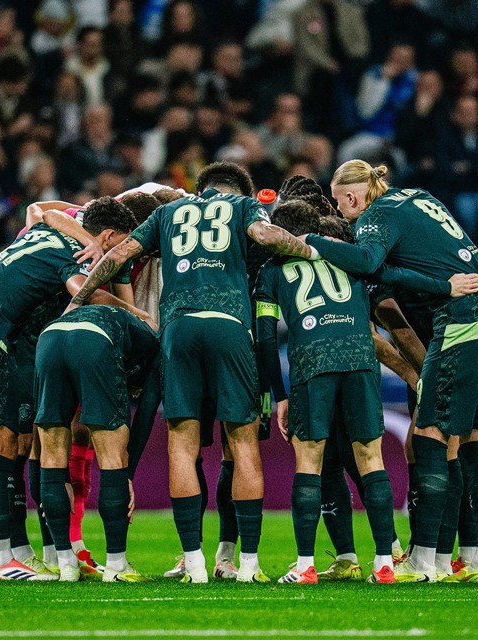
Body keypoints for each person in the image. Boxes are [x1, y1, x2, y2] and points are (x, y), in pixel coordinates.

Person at [66, 161, 316, 584]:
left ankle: (193, 563)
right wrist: (310, 250)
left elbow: (122, 253)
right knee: (241, 443)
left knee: (182, 441)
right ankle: (247, 565)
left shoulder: (167, 214)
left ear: (199, 191)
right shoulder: (242, 207)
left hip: (178, 327)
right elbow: (264, 235)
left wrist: (83, 294)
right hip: (231, 326)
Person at [304, 159, 478, 583]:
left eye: (339, 200)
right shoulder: (418, 196)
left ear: (350, 197)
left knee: (430, 438)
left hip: (463, 321)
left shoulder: (374, 217)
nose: (339, 208)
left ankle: (424, 561)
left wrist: (310, 243)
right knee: (476, 437)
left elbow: (367, 266)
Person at [0, 199, 146, 582]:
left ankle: (3, 553)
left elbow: (44, 212)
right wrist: (138, 317)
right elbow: (86, 293)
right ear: (108, 236)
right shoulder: (78, 251)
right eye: (122, 244)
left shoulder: (51, 230)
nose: (122, 254)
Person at [254, 200, 398, 584]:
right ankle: (385, 564)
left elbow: (266, 337)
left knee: (310, 460)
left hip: (311, 362)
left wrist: (279, 394)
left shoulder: (271, 270)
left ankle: (305, 566)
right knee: (371, 458)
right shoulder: (345, 257)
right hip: (360, 358)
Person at [36, 304, 159, 582]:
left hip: (50, 336)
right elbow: (147, 411)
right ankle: (116, 565)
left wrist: (57, 480)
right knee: (112, 459)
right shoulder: (155, 346)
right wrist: (127, 475)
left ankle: (66, 565)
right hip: (95, 339)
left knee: (52, 456)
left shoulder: (123, 322)